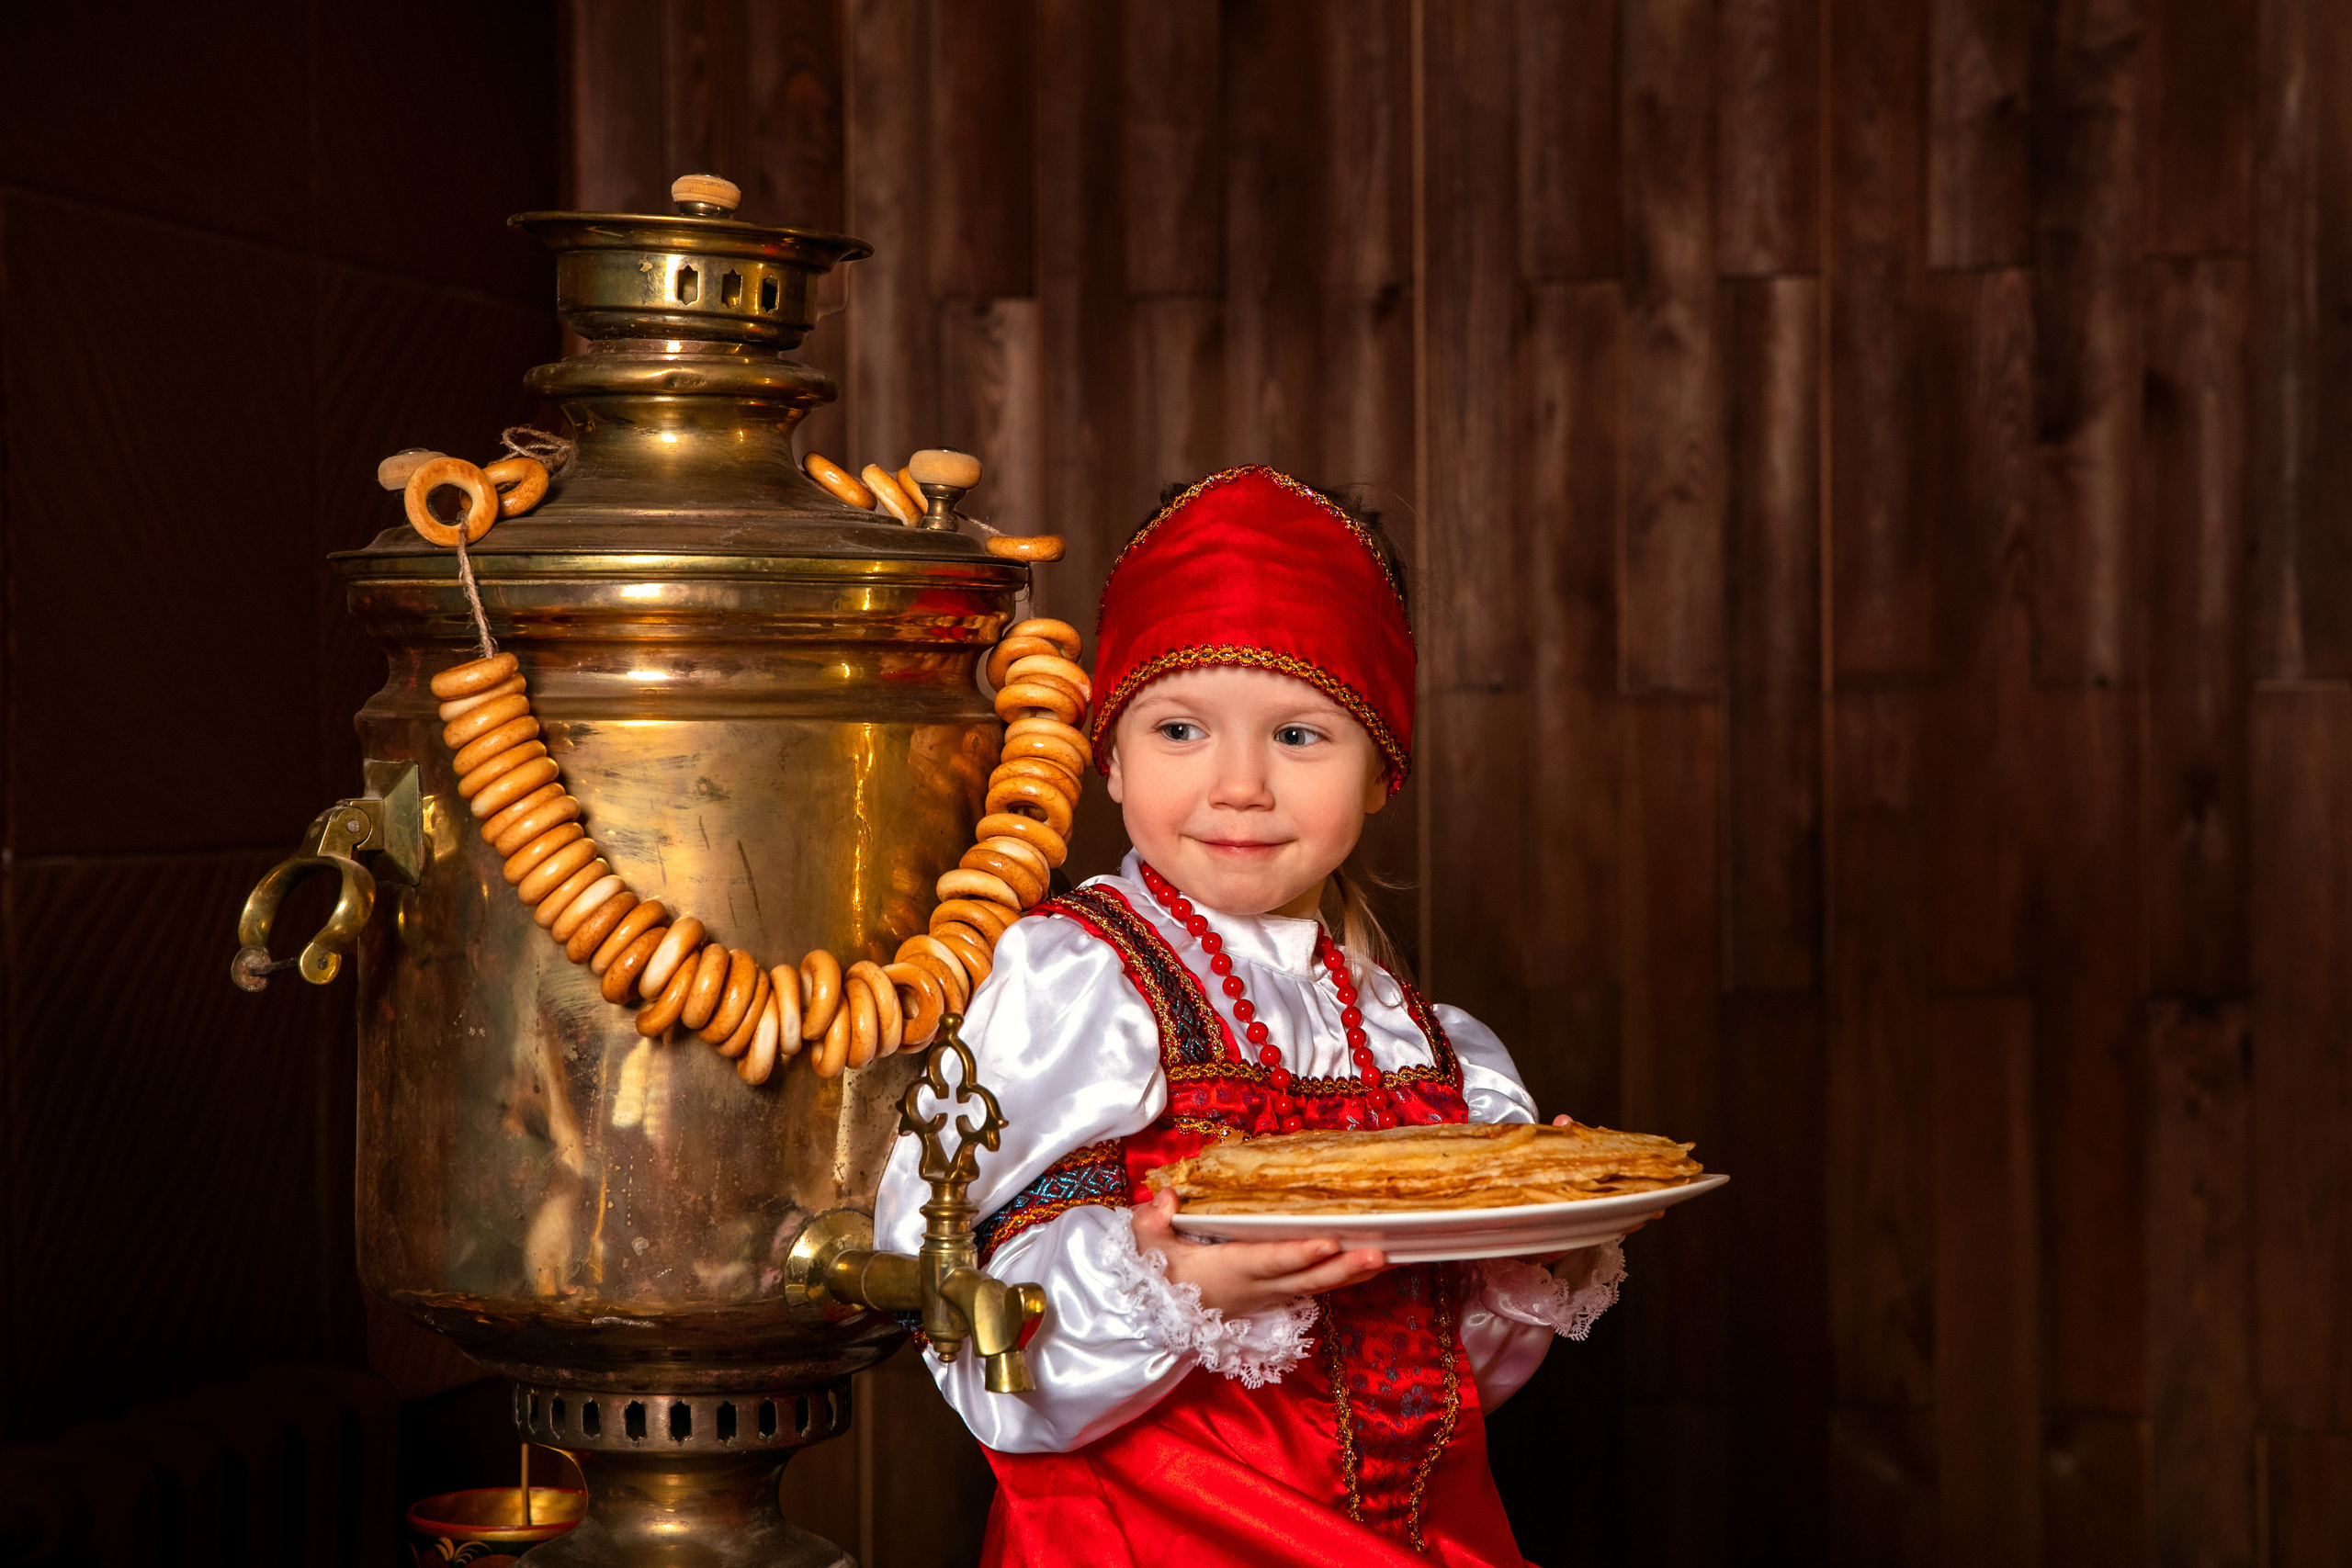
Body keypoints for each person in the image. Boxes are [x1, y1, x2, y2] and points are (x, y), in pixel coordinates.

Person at [875, 467, 1627, 1566]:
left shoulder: (1427, 1046)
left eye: (1299, 737)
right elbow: (947, 1296)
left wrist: (1536, 1249)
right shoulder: (1073, 983)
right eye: (1180, 729)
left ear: (1383, 771)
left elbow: (1455, 1385)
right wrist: (1170, 1280)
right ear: (1111, 761)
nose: (1238, 786)